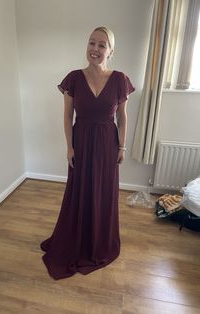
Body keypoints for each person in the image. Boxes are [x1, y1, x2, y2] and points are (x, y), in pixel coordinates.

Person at [40, 26, 135, 280]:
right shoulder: (73, 78)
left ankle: (98, 242)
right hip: (81, 141)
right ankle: (77, 239)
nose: (95, 49)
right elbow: (67, 116)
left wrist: (122, 146)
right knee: (79, 190)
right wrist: (69, 147)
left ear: (111, 50)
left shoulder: (120, 80)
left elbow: (123, 118)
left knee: (103, 193)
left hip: (107, 144)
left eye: (102, 45)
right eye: (91, 43)